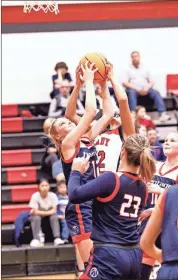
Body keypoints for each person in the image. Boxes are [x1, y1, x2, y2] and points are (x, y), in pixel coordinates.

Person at [48, 62, 114, 267]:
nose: (67, 122)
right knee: (91, 266)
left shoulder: (85, 138)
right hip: (80, 205)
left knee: (102, 263)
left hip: (96, 202)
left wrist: (103, 85)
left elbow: (109, 113)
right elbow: (90, 111)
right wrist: (87, 82)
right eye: (61, 124)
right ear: (57, 136)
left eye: (67, 122)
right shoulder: (67, 144)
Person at [67, 134, 156, 280]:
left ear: (123, 152)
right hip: (134, 254)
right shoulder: (143, 186)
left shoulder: (112, 179)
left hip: (110, 254)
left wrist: (76, 171)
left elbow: (75, 195)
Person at [139, 132, 178, 279]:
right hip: (149, 221)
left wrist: (161, 192)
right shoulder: (154, 166)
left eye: (172, 141)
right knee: (142, 270)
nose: (167, 143)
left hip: (167, 224)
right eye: (165, 140)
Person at [123, 51, 171, 122]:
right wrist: (137, 88)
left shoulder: (145, 68)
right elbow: (125, 83)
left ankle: (163, 114)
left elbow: (151, 81)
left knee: (156, 92)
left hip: (146, 89)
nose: (134, 58)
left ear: (139, 57)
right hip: (134, 89)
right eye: (132, 57)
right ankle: (133, 114)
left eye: (136, 56)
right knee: (131, 92)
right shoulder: (127, 69)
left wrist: (147, 88)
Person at [29, 178, 64, 247]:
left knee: (54, 216)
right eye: (42, 186)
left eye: (46, 185)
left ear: (49, 186)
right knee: (36, 217)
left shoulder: (53, 195)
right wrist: (48, 212)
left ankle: (57, 238)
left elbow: (54, 210)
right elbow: (35, 211)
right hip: (39, 215)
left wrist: (43, 212)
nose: (44, 187)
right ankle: (36, 239)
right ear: (38, 186)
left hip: (49, 215)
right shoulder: (35, 196)